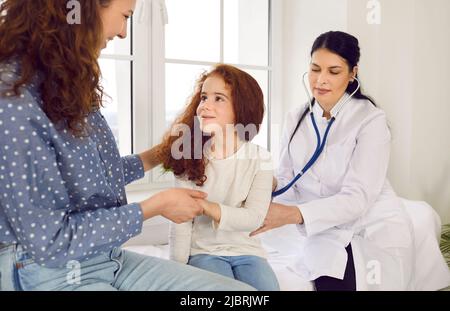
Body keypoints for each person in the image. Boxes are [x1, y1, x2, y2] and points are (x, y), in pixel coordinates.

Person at [0, 0, 254, 291]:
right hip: (48, 268)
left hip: (105, 256)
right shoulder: (13, 101)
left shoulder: (64, 81)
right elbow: (50, 240)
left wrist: (160, 154)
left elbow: (87, 176)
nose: (123, 33)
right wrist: (154, 206)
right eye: (125, 16)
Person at [251, 31, 415, 291]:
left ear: (353, 73)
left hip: (363, 223)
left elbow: (357, 198)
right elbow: (286, 179)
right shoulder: (296, 118)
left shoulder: (371, 120)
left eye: (334, 71)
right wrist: (256, 184)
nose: (321, 80)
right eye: (315, 69)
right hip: (312, 221)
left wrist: (294, 214)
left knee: (330, 276)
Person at [156, 64, 279, 291]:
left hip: (248, 253)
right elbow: (182, 224)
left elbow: (253, 218)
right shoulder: (190, 157)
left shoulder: (261, 158)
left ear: (242, 108)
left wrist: (204, 206)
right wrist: (178, 269)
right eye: (203, 97)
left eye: (218, 98)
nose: (204, 106)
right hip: (204, 252)